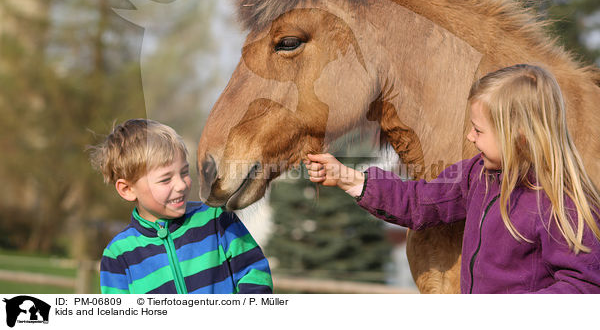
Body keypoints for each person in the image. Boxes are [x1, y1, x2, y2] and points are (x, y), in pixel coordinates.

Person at [305, 64, 600, 293]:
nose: (470, 137)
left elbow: (582, 288)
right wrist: (348, 178)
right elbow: (419, 202)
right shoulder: (476, 175)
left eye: (478, 130)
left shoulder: (564, 204)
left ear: (518, 137)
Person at [90, 119, 272, 294]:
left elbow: (255, 273)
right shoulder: (118, 255)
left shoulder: (217, 219)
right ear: (128, 189)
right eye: (166, 179)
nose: (181, 185)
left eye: (184, 172)